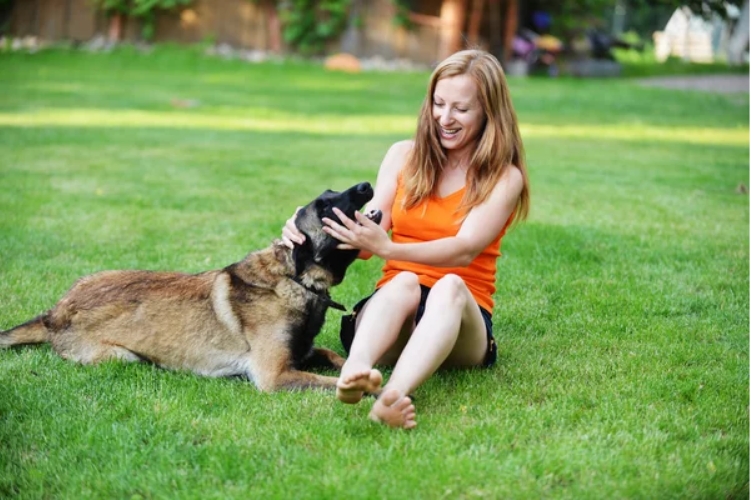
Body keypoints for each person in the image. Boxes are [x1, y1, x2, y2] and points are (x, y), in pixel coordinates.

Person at [282, 49, 530, 429]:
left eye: (461, 109)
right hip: (390, 317)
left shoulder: (504, 177)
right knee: (403, 281)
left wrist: (390, 247)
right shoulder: (403, 155)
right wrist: (305, 223)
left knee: (449, 286)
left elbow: (464, 250)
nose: (445, 118)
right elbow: (368, 229)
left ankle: (392, 396)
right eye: (439, 103)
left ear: (488, 113)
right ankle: (355, 370)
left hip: (460, 327)